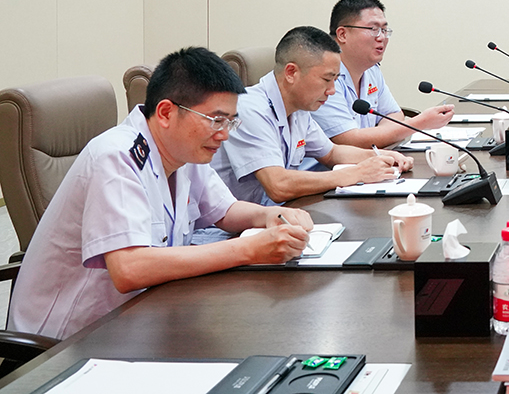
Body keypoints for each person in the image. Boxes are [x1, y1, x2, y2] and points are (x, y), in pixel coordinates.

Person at [9, 48, 314, 340]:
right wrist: (249, 250)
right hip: (72, 341)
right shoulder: (116, 157)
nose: (224, 134)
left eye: (230, 122)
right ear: (166, 112)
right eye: (216, 120)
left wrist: (273, 215)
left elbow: (224, 211)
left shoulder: (185, 151)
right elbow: (129, 269)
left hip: (145, 314)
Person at [213, 26, 413, 205]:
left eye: (335, 80)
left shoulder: (298, 108)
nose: (332, 90)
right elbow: (278, 185)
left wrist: (381, 156)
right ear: (291, 72)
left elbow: (331, 153)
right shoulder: (249, 109)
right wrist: (357, 173)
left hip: (273, 215)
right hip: (228, 228)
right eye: (327, 79)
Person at [313, 0, 453, 148]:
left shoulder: (371, 69)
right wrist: (419, 123)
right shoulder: (324, 77)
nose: (382, 37)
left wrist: (375, 137)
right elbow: (349, 140)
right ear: (342, 34)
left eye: (384, 30)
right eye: (373, 29)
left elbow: (394, 115)